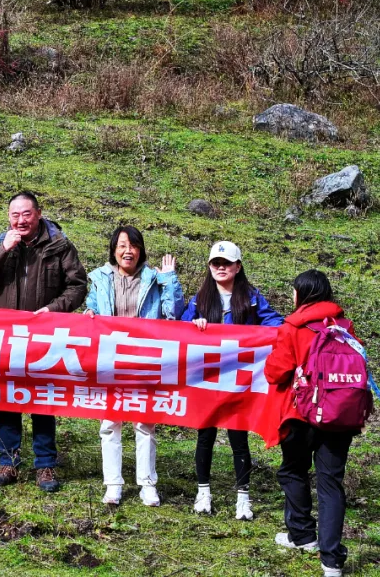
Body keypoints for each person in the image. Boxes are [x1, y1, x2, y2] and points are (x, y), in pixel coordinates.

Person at [0, 191, 87, 490]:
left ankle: (45, 465)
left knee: (42, 401)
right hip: (8, 337)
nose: (20, 220)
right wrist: (3, 250)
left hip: (45, 337)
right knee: (9, 399)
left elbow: (77, 286)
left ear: (38, 213)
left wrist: (53, 309)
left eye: (26, 214)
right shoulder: (2, 241)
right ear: (9, 217)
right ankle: (8, 462)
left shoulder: (60, 245)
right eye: (14, 215)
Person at [265, 270, 358, 577]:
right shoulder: (343, 325)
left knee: (293, 470)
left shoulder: (293, 326)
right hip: (340, 415)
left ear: (301, 294)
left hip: (302, 414)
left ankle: (302, 535)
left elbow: (275, 373)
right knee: (331, 484)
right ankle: (331, 561)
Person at [181, 240, 283, 519]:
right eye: (216, 263)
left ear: (238, 267)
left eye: (226, 263)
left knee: (239, 437)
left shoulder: (251, 297)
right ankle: (203, 492)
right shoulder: (200, 299)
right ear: (209, 267)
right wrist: (194, 325)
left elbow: (275, 323)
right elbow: (179, 328)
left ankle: (243, 498)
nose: (221, 268)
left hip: (239, 380)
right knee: (206, 435)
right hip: (208, 378)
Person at [84, 226, 182, 506]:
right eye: (122, 245)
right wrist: (89, 312)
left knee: (145, 421)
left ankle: (147, 484)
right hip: (110, 359)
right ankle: (113, 484)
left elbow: (173, 314)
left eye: (134, 245)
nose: (128, 251)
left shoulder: (154, 278)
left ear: (141, 250)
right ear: (114, 249)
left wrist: (169, 279)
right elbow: (92, 307)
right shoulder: (101, 277)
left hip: (144, 358)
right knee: (110, 421)